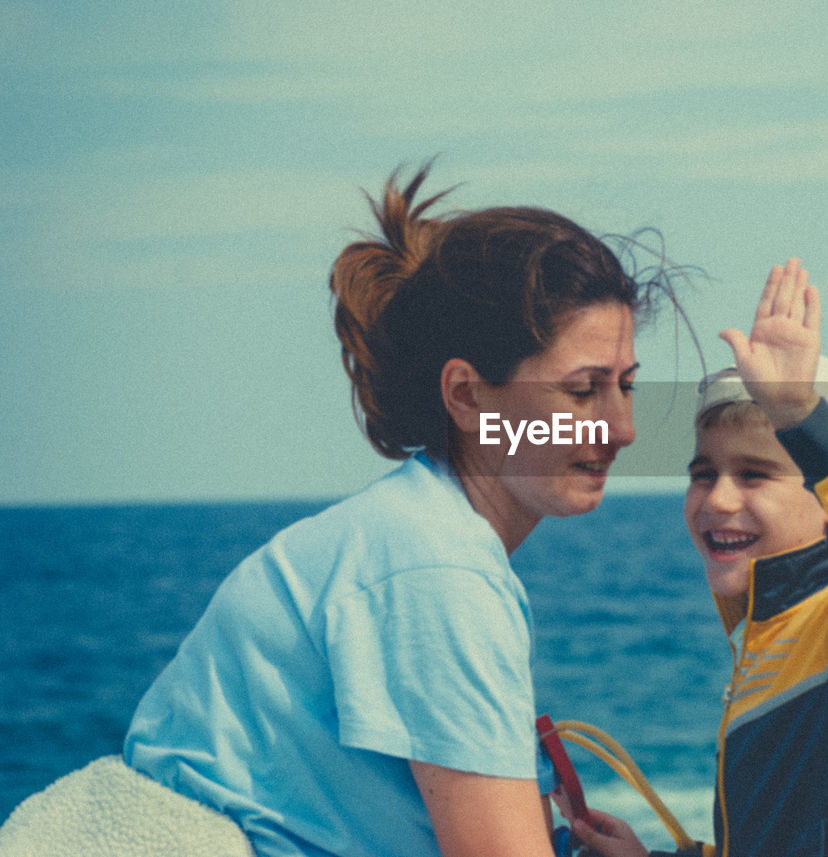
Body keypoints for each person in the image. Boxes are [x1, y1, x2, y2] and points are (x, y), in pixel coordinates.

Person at [0, 163, 676, 857]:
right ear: (468, 396)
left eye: (626, 386)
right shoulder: (437, 569)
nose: (622, 427)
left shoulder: (415, 533)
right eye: (583, 390)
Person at [573, 259, 828, 857]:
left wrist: (802, 418)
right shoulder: (765, 640)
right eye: (703, 474)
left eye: (754, 475)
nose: (718, 499)